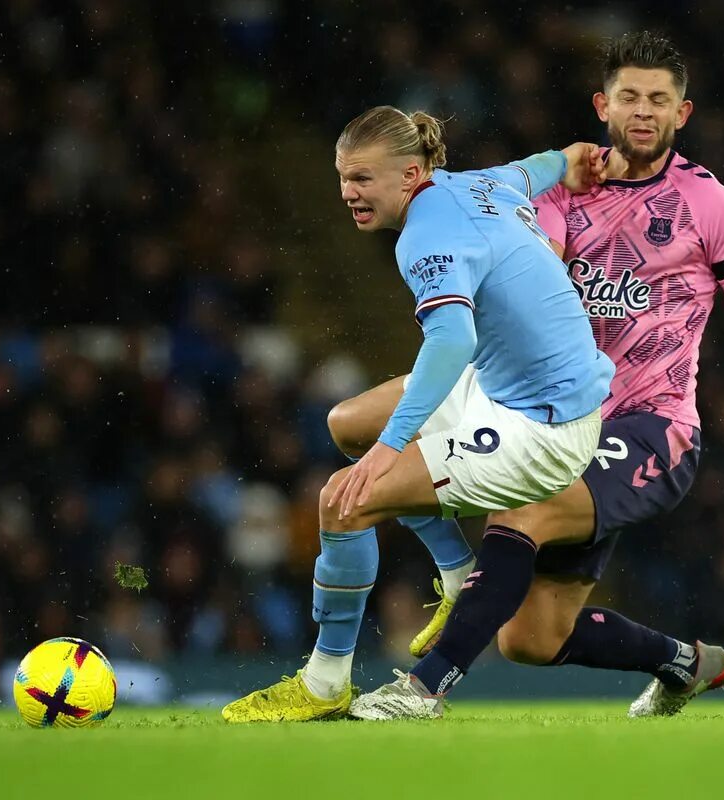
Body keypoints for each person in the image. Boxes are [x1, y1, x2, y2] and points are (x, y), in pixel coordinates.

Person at [344, 31, 724, 720]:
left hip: (652, 428)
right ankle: (683, 663)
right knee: (532, 639)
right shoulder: (564, 192)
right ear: (603, 104)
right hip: (550, 411)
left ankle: (422, 688)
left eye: (660, 100)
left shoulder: (708, 205)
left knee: (526, 509)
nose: (643, 111)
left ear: (681, 114)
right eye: (629, 96)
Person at [221, 106, 616, 723]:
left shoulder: (425, 237)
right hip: (505, 387)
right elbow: (546, 166)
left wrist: (392, 449)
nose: (349, 193)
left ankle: (324, 682)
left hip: (542, 429)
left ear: (410, 174)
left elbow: (452, 341)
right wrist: (578, 158)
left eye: (363, 179)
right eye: (343, 177)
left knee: (343, 501)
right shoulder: (479, 182)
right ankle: (458, 572)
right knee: (347, 423)